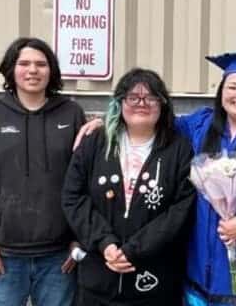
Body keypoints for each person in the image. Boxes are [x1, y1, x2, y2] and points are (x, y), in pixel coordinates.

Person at [74, 49, 236, 306]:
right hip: (201, 264)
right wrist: (108, 121)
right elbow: (150, 119)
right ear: (221, 92)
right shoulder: (200, 126)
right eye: (233, 87)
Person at [0, 37, 86, 306]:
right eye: (24, 63)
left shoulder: (71, 114)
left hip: (59, 260)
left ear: (51, 71)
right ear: (11, 70)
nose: (33, 70)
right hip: (3, 259)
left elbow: (85, 183)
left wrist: (78, 241)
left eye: (41, 64)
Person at [62, 68, 196, 305]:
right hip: (98, 279)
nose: (141, 103)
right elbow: (73, 197)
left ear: (162, 104)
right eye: (133, 97)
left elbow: (180, 209)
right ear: (120, 102)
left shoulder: (179, 149)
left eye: (151, 97)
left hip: (154, 281)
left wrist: (134, 249)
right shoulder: (96, 143)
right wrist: (105, 243)